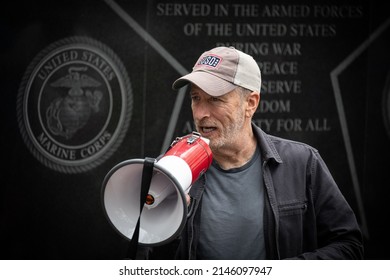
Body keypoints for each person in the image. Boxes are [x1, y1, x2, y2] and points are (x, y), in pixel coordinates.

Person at [170, 46, 364, 259]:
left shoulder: (303, 163)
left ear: (250, 104)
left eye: (215, 99)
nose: (201, 113)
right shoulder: (174, 168)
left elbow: (349, 246)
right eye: (196, 98)